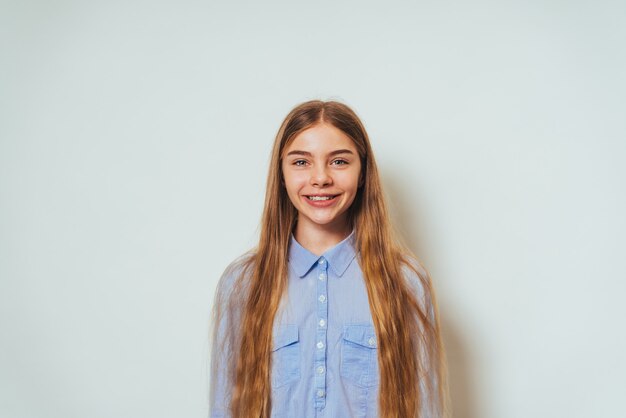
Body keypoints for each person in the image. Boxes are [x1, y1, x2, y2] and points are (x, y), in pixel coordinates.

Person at [208, 100, 449, 418]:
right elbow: (225, 407)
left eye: (338, 161)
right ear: (281, 175)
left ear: (362, 173)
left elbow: (424, 408)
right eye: (300, 162)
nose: (320, 178)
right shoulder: (241, 283)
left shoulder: (405, 280)